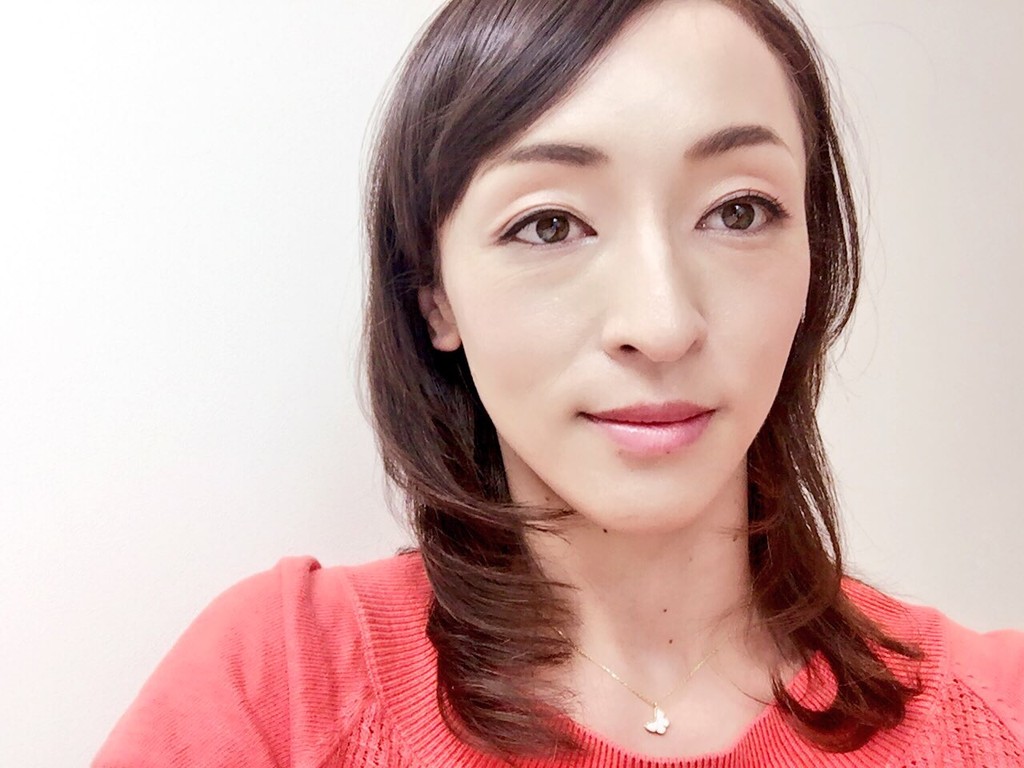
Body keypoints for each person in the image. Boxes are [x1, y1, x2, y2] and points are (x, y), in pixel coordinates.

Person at [92, 0, 1024, 765]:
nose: (661, 323)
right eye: (549, 225)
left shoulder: (998, 713)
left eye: (739, 211)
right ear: (434, 296)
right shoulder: (284, 688)